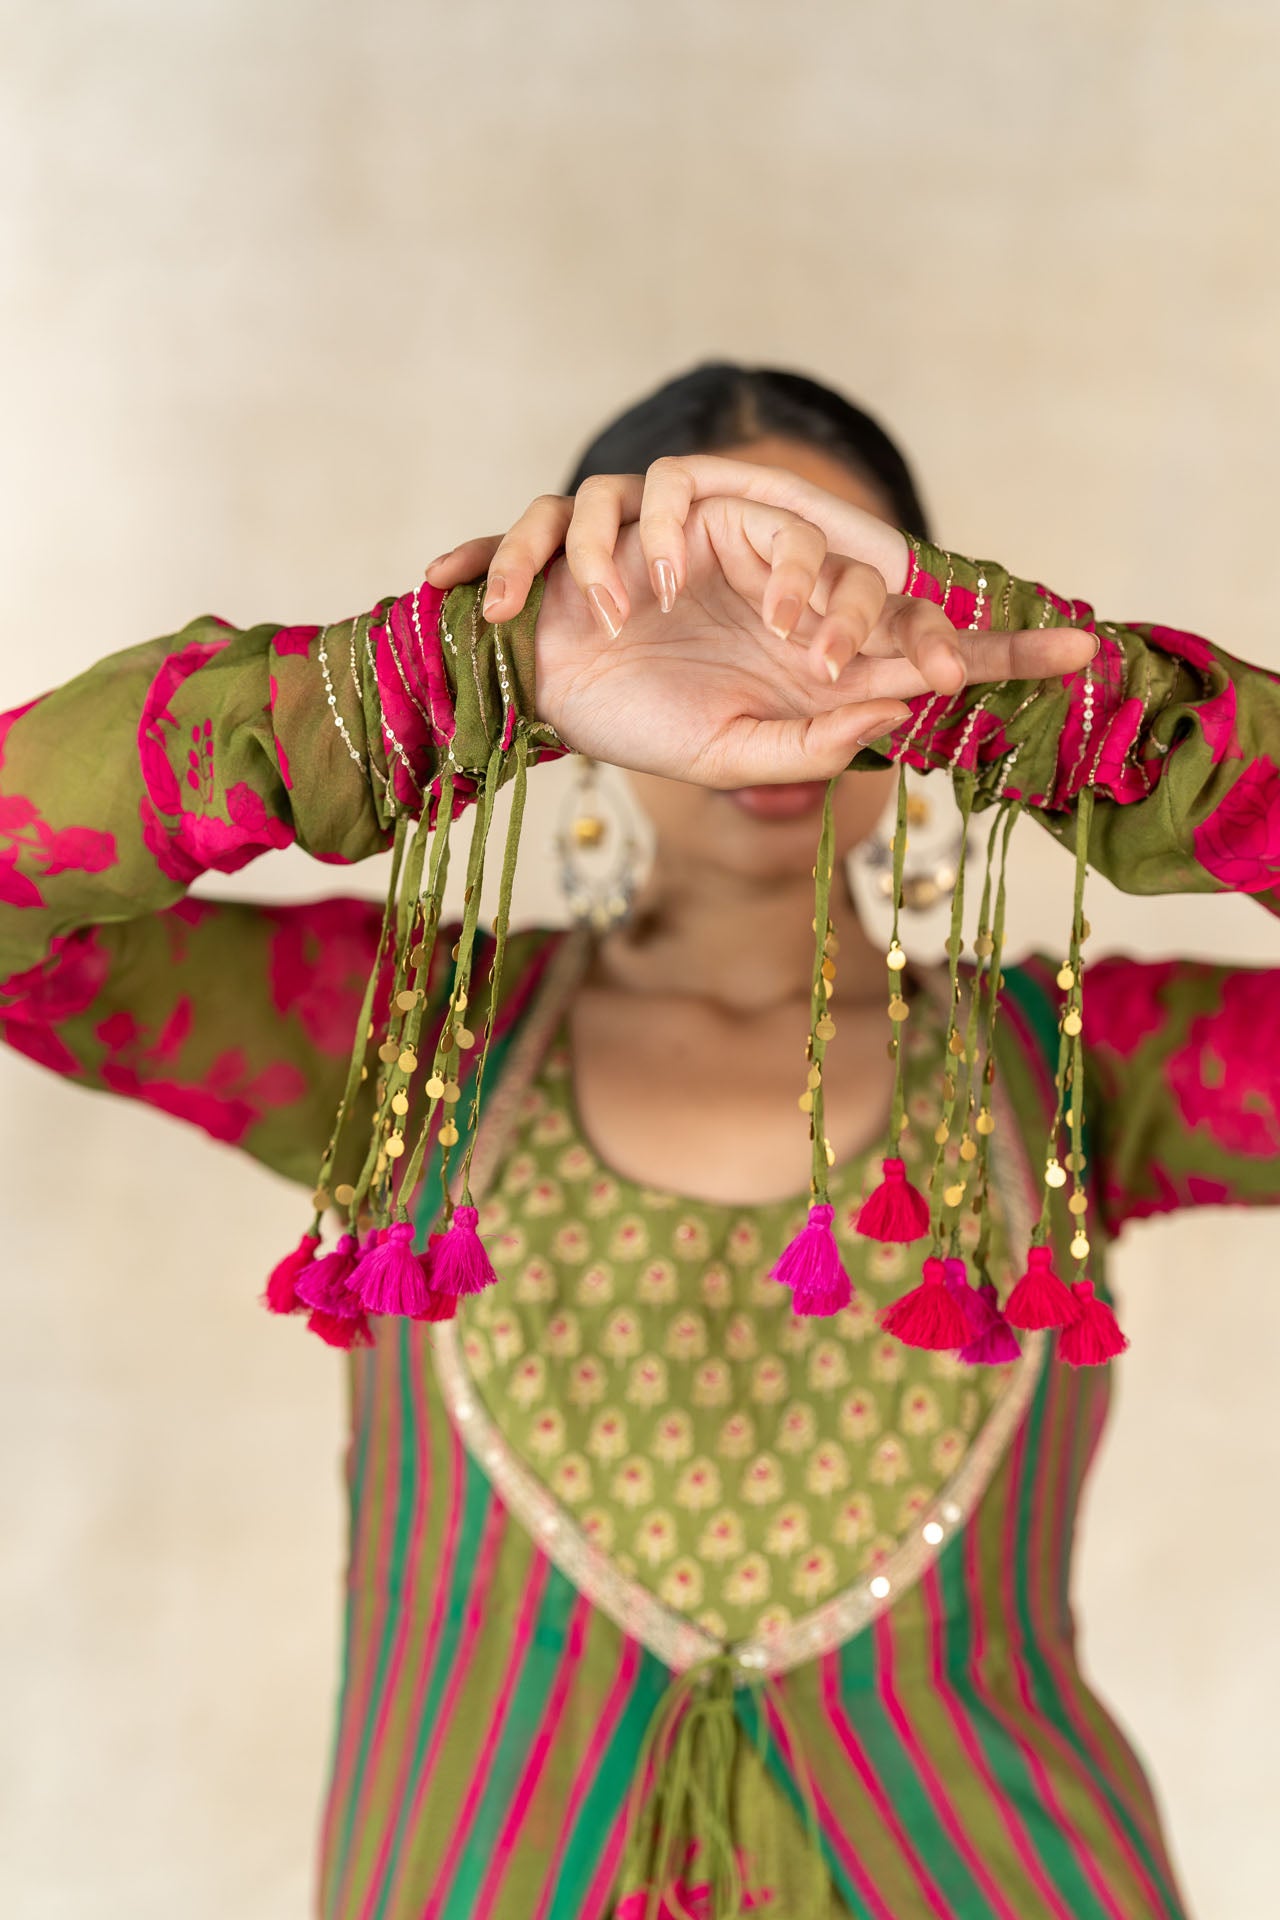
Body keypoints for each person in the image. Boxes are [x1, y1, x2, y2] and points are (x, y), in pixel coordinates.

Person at [0, 363, 1274, 1920]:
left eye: (826, 592)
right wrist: (454, 681)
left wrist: (1060, 703)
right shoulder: (395, 1038)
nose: (774, 656)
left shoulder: (1083, 1063)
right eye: (694, 594)